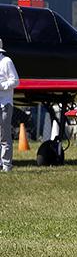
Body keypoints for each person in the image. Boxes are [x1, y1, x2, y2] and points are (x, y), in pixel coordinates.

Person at [0, 39, 20, 172]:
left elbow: (15, 81)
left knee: (4, 135)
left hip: (5, 103)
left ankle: (7, 164)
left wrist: (2, 86)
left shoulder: (6, 61)